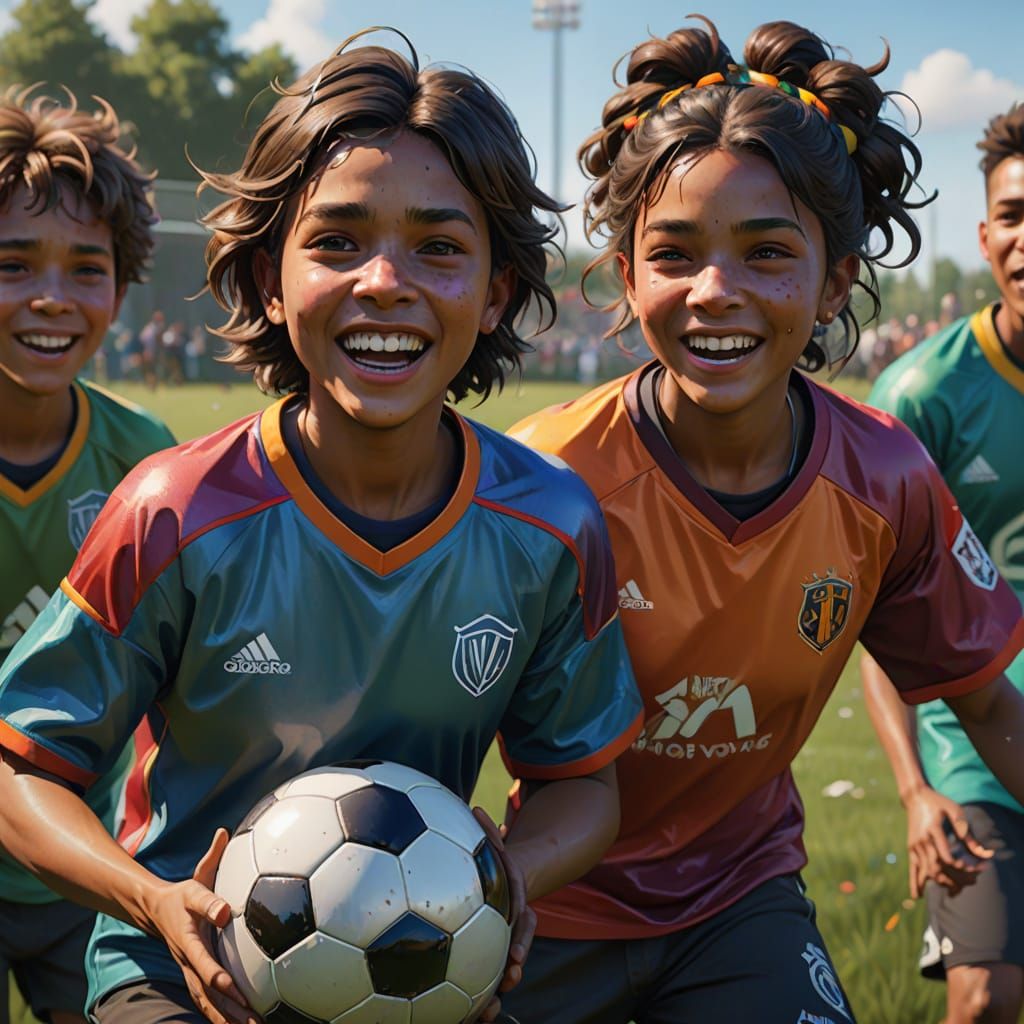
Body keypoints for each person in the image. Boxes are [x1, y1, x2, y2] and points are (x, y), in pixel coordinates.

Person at [0, 33, 643, 1024]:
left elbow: (583, 785)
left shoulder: (549, 523)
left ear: (497, 290)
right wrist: (153, 901)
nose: (385, 281)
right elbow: (21, 769)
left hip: (424, 983)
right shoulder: (173, 510)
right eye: (337, 241)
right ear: (269, 280)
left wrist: (496, 880)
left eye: (438, 246)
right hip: (174, 982)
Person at [502, 18, 1024, 1024]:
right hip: (545, 911)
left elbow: (991, 708)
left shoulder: (886, 480)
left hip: (739, 905)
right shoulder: (546, 480)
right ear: (626, 277)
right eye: (674, 252)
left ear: (833, 279)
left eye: (766, 252)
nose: (715, 292)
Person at [0, 87, 175, 1024]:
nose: (51, 298)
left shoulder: (146, 462)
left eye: (86, 267)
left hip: (90, 867)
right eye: (13, 262)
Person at [862, 103, 1024, 1024]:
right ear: (985, 235)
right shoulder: (922, 397)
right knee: (984, 1000)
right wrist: (915, 791)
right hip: (974, 756)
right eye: (1013, 214)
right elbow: (881, 620)